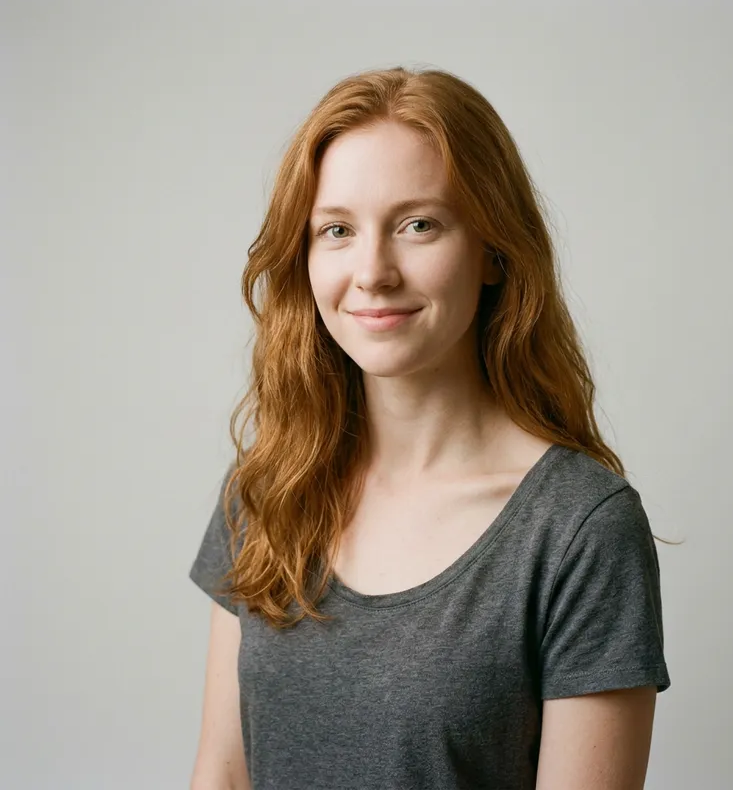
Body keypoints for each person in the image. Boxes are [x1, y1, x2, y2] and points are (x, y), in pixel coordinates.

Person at [188, 66, 671, 790]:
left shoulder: (579, 529)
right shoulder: (266, 489)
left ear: (493, 250)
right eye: (337, 230)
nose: (373, 272)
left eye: (418, 225)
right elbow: (223, 774)